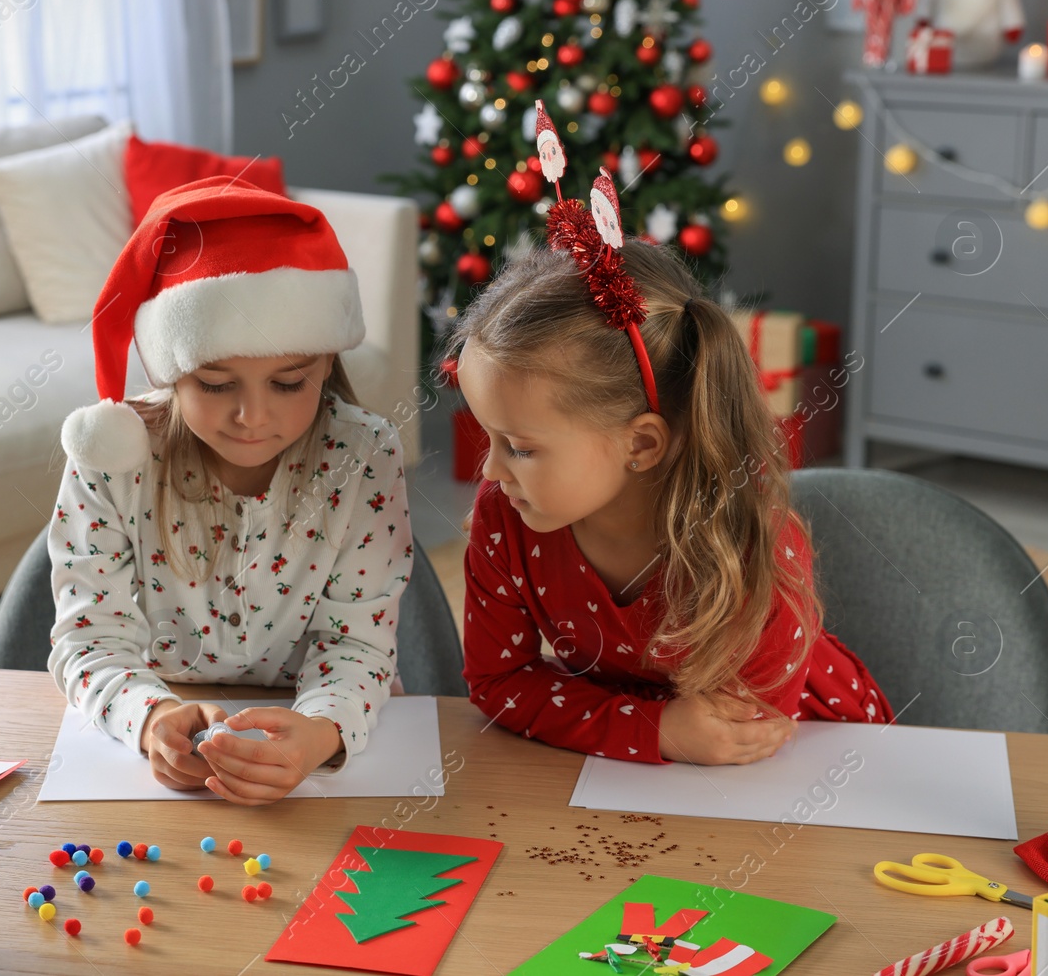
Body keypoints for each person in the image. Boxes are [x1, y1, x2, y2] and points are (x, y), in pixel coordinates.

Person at [451, 128, 892, 767]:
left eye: (518, 446)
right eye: (486, 436)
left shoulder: (743, 541)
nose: (489, 471)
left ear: (642, 444)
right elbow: (495, 683)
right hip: (644, 763)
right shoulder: (506, 517)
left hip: (808, 754)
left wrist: (648, 730)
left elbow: (741, 733)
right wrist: (653, 729)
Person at [49, 177, 413, 805]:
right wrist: (152, 719)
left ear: (327, 361)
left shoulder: (364, 455)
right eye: (216, 385)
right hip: (163, 733)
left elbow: (356, 642)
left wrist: (321, 734)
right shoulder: (113, 456)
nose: (253, 417)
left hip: (322, 743)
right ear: (170, 368)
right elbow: (89, 640)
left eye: (289, 382)